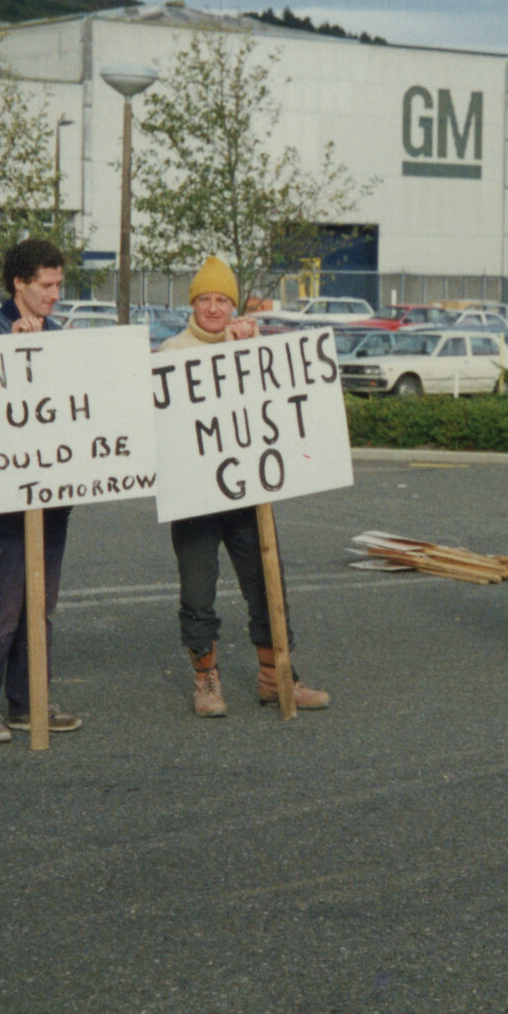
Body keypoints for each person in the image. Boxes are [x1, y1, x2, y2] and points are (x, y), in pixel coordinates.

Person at [159, 256, 329, 717]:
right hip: (194, 496)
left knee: (266, 582)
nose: (213, 308)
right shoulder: (171, 353)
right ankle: (205, 680)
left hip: (245, 493)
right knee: (198, 591)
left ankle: (277, 677)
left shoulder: (253, 346)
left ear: (234, 306)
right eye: (205, 299)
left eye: (223, 300)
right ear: (192, 303)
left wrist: (248, 354)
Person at [0, 238, 87, 743]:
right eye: (47, 285)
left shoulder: (55, 333)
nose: (56, 294)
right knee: (6, 601)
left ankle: (28, 698)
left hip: (52, 494)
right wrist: (9, 351)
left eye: (59, 284)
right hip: (5, 499)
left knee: (41, 604)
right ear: (20, 284)